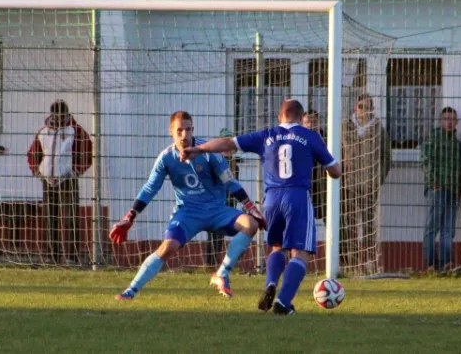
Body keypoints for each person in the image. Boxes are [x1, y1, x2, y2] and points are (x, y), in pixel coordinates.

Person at [181, 100, 341, 315]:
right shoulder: (310, 136)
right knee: (301, 253)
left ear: (280, 116)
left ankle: (271, 283)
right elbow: (335, 171)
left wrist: (198, 148)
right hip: (297, 196)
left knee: (277, 247)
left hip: (272, 198)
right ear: (302, 117)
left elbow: (228, 143)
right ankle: (283, 302)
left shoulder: (266, 135)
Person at [110, 111, 265, 301]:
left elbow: (230, 182)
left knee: (251, 224)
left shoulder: (209, 153)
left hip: (216, 210)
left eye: (188, 130)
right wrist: (131, 215)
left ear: (193, 130)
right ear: (171, 132)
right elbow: (150, 189)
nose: (184, 135)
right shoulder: (166, 158)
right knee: (168, 247)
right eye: (179, 130)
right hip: (188, 213)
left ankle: (222, 274)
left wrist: (250, 206)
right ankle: (130, 291)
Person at [27, 99, 93, 264]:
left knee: (70, 218)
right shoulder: (43, 132)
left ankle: (71, 256)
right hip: (48, 181)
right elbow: (33, 153)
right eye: (55, 116)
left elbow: (87, 152)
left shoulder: (76, 131)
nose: (58, 119)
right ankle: (52, 256)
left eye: (61, 116)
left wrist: (76, 171)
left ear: (66, 114)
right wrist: (37, 170)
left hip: (68, 180)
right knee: (50, 218)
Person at [340, 93, 391, 271]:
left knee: (369, 224)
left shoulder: (379, 129)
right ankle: (352, 264)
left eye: (368, 107)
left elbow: (386, 157)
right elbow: (337, 154)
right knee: (351, 224)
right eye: (361, 106)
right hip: (350, 184)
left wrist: (378, 178)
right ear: (356, 107)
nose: (364, 111)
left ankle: (369, 262)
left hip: (370, 185)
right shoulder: (345, 128)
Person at [420, 106, 461, 273]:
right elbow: (426, 161)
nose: (449, 122)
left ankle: (447, 264)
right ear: (441, 121)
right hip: (437, 189)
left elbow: (460, 168)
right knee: (433, 227)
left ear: (457, 123)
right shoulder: (433, 139)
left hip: (453, 191)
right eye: (446, 119)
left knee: (448, 229)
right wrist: (434, 183)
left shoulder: (457, 144)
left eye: (452, 119)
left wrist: (459, 188)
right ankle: (432, 264)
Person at [205, 128, 242, 267]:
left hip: (229, 204)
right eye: (223, 144)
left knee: (237, 230)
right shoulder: (215, 162)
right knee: (214, 235)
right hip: (215, 203)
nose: (226, 149)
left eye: (229, 145)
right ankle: (211, 263)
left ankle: (230, 261)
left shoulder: (234, 164)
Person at [302, 111, 327, 223]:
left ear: (319, 122)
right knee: (305, 216)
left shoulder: (327, 137)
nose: (311, 125)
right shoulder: (298, 139)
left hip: (323, 182)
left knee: (327, 212)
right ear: (302, 123)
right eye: (307, 122)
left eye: (314, 121)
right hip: (306, 182)